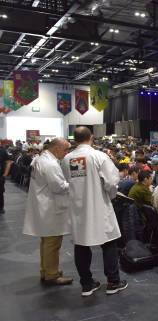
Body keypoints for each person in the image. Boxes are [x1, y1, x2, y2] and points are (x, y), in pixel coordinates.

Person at [61, 127, 127, 297]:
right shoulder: (99, 156)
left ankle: (87, 284)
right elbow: (112, 182)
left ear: (74, 139)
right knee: (109, 243)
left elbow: (68, 181)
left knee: (81, 245)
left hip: (78, 207)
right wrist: (110, 196)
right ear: (91, 137)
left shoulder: (67, 158)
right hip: (98, 205)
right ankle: (113, 282)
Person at [22, 138, 73, 286]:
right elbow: (58, 187)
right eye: (65, 150)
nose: (66, 153)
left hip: (44, 206)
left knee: (46, 241)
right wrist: (73, 184)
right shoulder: (50, 164)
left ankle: (46, 270)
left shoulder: (41, 159)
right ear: (56, 148)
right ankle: (52, 274)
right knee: (52, 242)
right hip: (50, 207)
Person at [0, 142, 13, 214]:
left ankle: (1, 207)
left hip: (0, 175)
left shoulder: (3, 151)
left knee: (0, 192)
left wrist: (5, 174)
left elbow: (9, 162)